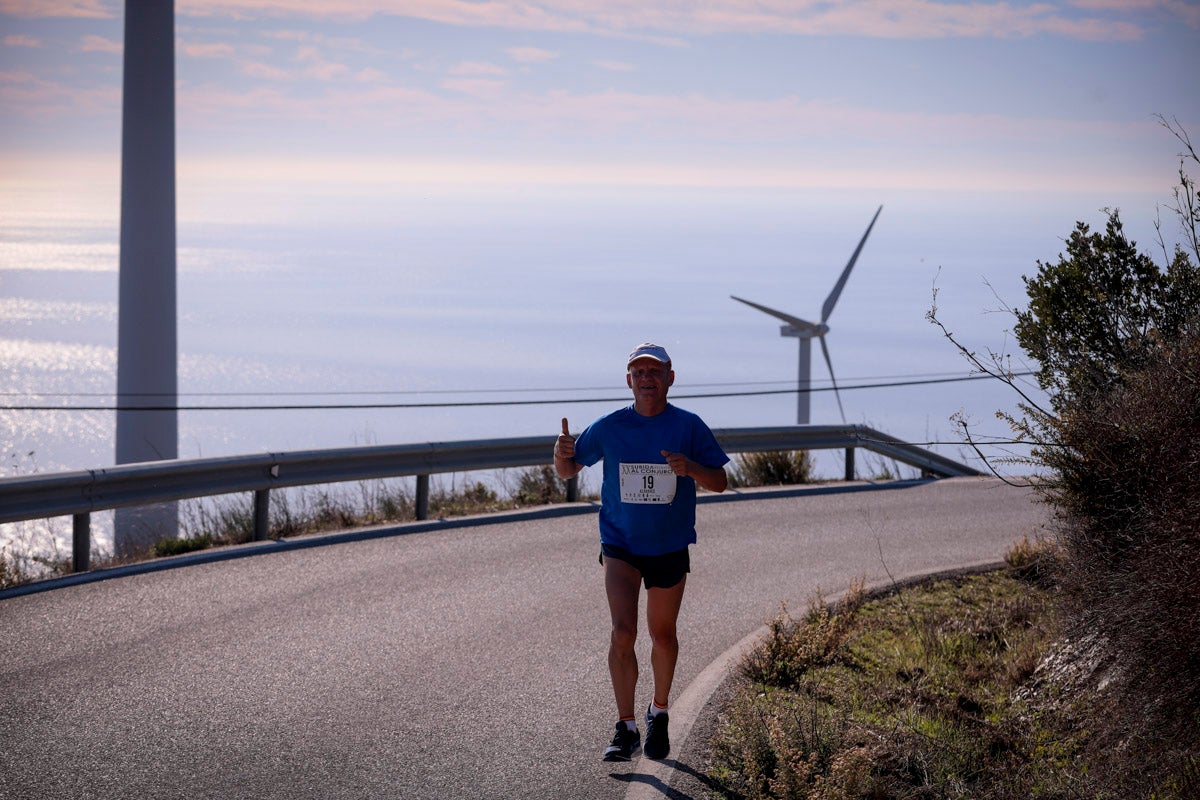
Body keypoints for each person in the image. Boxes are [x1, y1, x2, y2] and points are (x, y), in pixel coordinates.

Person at [554, 342, 729, 762]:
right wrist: (559, 453)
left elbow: (720, 481)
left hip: (669, 545)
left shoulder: (689, 426)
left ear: (670, 378)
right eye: (639, 371)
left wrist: (691, 468)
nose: (646, 378)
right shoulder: (610, 426)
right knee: (622, 633)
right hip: (621, 546)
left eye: (655, 371)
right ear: (628, 380)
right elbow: (568, 469)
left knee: (663, 636)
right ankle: (625, 726)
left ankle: (660, 712)